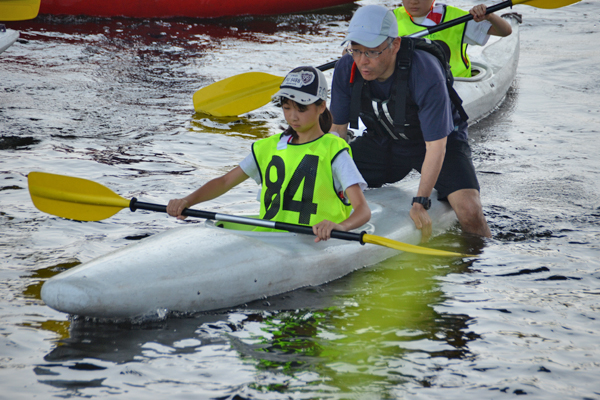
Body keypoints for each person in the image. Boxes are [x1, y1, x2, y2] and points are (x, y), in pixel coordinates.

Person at [330, 5, 491, 238]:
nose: (362, 61)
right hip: (382, 141)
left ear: (394, 45)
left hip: (438, 144)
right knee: (325, 176)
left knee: (469, 210)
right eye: (356, 50)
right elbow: (337, 132)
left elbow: (436, 147)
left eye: (372, 52)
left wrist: (420, 202)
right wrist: (326, 175)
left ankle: (476, 264)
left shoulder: (425, 71)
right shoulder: (347, 68)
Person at [167, 66, 371, 242]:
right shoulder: (268, 147)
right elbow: (224, 182)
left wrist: (341, 227)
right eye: (286, 107)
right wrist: (187, 201)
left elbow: (362, 210)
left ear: (321, 106)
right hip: (268, 239)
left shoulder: (334, 150)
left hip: (316, 241)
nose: (292, 116)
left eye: (301, 109)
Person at [394, 1, 512, 78]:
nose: (414, 1)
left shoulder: (457, 18)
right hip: (408, 82)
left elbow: (505, 31)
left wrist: (490, 16)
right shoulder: (390, 19)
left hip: (456, 82)